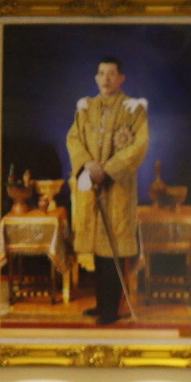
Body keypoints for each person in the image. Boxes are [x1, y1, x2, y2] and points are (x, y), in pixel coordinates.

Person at [64, 56, 147, 326]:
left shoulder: (134, 109)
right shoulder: (86, 108)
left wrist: (108, 169)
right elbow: (74, 138)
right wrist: (87, 164)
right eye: (101, 73)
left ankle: (113, 308)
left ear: (121, 78)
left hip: (117, 188)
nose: (106, 79)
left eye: (111, 74)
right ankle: (102, 304)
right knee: (98, 250)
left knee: (113, 249)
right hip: (91, 185)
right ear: (96, 77)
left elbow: (138, 146)